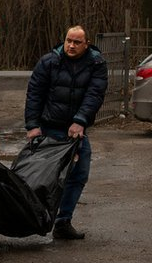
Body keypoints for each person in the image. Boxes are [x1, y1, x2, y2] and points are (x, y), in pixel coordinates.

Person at [24, 25, 108, 239]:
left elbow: (95, 94)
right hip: (50, 127)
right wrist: (33, 126)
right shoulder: (49, 61)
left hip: (75, 131)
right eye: (68, 40)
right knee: (44, 177)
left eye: (77, 42)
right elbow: (35, 93)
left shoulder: (96, 63)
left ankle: (63, 222)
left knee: (79, 174)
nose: (71, 45)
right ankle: (33, 218)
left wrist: (80, 121)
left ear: (86, 44)